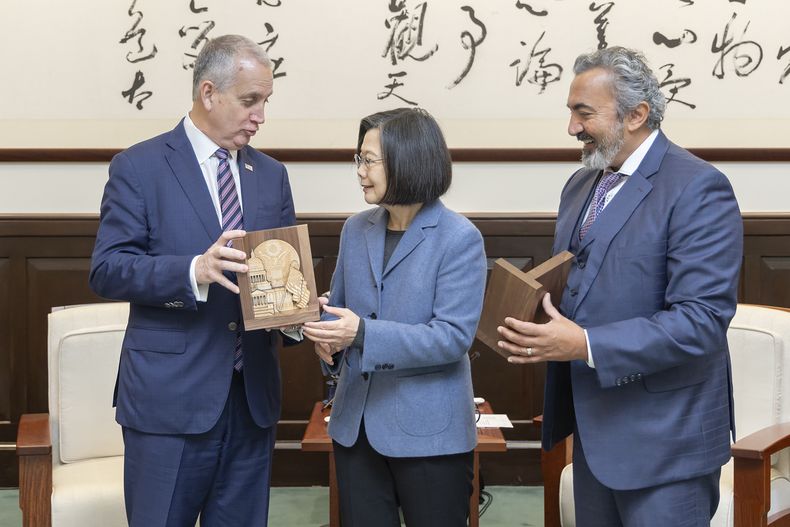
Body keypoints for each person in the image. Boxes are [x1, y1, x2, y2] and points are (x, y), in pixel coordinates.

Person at [497, 47, 742, 526]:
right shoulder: (579, 186)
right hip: (594, 433)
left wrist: (584, 343)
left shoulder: (698, 188)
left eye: (583, 113)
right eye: (570, 111)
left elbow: (701, 321)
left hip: (667, 444)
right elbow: (577, 282)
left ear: (636, 114)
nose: (571, 128)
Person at [89, 34, 296, 527]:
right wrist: (193, 271)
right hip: (169, 403)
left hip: (252, 403)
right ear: (209, 93)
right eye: (250, 101)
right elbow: (107, 268)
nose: (260, 116)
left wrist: (299, 314)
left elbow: (280, 275)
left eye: (265, 101)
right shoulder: (139, 167)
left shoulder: (271, 175)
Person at [302, 108, 487, 527]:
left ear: (407, 161)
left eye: (369, 160)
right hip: (356, 427)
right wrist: (327, 341)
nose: (360, 171)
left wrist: (361, 332)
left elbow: (451, 338)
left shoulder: (459, 238)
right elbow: (342, 317)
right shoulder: (356, 229)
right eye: (359, 159)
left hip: (429, 433)